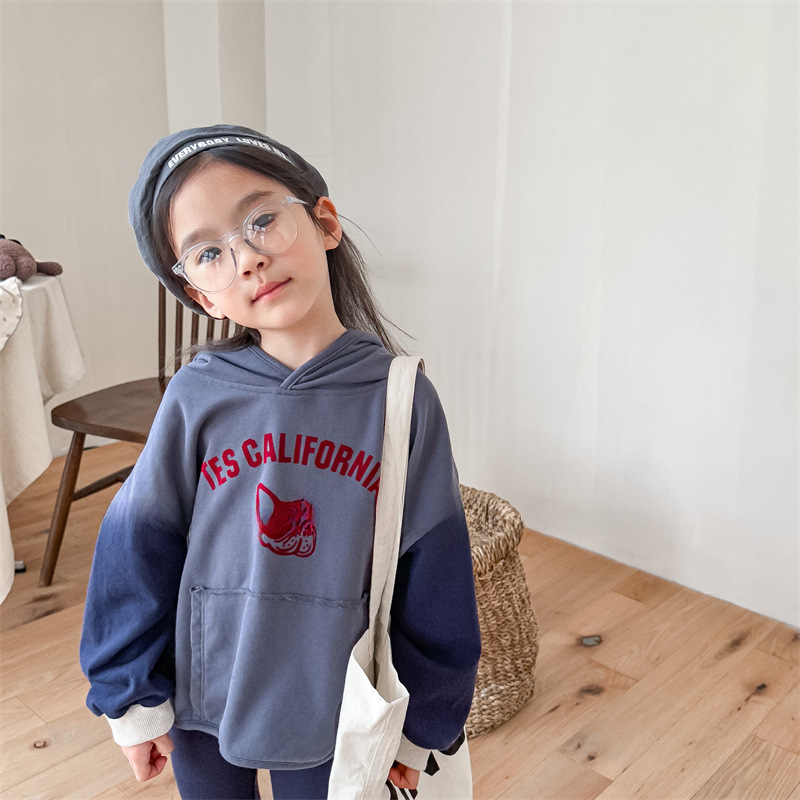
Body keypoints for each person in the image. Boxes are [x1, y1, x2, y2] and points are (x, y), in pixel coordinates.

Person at [79, 124, 481, 800]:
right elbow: (136, 550)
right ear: (200, 295)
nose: (248, 260)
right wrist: (131, 697)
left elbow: (435, 575)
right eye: (209, 253)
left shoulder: (403, 399)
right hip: (202, 692)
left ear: (325, 222)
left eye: (262, 220)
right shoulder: (196, 396)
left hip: (335, 703)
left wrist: (424, 726)